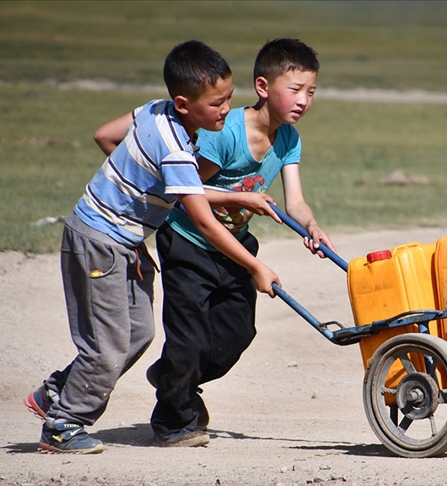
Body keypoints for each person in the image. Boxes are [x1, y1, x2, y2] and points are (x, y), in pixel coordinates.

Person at [22, 40, 280, 454]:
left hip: (121, 240)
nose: (226, 110)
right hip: (98, 243)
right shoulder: (177, 149)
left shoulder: (152, 110)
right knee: (106, 346)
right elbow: (202, 221)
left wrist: (134, 212)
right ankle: (64, 423)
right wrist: (255, 266)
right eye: (216, 103)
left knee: (138, 334)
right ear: (184, 103)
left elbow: (105, 136)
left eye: (229, 97)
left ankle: (57, 391)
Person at [144, 38, 335, 448]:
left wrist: (311, 226)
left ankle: (172, 377)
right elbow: (185, 189)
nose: (304, 100)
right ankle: (173, 418)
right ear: (264, 87)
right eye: (295, 89)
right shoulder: (226, 135)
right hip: (189, 242)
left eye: (312, 92)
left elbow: (295, 202)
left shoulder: (288, 140)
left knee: (237, 335)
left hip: (235, 247)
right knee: (189, 339)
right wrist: (239, 197)